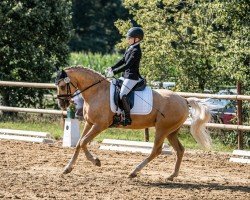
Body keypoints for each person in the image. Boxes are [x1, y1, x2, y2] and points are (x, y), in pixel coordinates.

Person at [105, 27, 144, 126]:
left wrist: (115, 72)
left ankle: (127, 117)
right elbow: (123, 60)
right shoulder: (130, 48)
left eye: (130, 37)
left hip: (132, 77)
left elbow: (128, 65)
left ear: (137, 39)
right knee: (114, 89)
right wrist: (112, 68)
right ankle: (117, 114)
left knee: (122, 94)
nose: (128, 39)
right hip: (126, 76)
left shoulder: (136, 50)